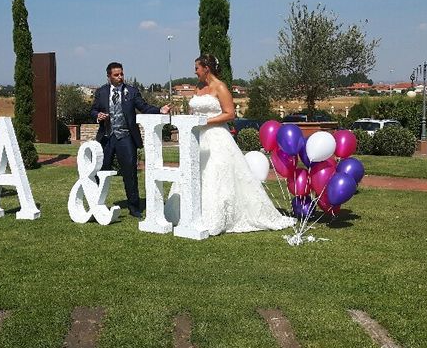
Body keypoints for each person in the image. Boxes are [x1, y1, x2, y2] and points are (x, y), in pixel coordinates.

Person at [179, 54, 295, 235]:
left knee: (217, 174)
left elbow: (230, 114)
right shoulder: (198, 87)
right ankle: (191, 213)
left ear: (206, 69)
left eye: (197, 68)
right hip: (198, 139)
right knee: (196, 173)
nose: (195, 71)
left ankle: (218, 216)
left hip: (217, 137)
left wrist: (205, 121)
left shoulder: (220, 87)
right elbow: (193, 110)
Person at [91, 62, 170, 218]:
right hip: (106, 137)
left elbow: (144, 107)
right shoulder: (101, 92)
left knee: (130, 173)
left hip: (126, 138)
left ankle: (134, 208)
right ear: (108, 76)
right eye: (116, 75)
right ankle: (96, 206)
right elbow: (93, 109)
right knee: (100, 172)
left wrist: (160, 110)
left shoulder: (132, 92)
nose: (120, 77)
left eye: (121, 74)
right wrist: (97, 115)